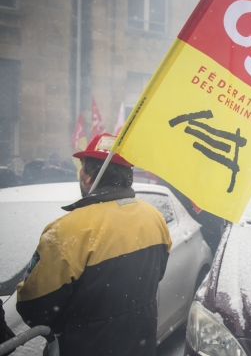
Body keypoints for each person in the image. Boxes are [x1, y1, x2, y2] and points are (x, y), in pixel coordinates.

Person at [16, 133, 172, 356]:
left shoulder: (66, 232)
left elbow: (33, 309)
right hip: (141, 345)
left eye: (82, 167)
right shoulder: (154, 216)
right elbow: (156, 275)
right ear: (127, 176)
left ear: (88, 177)